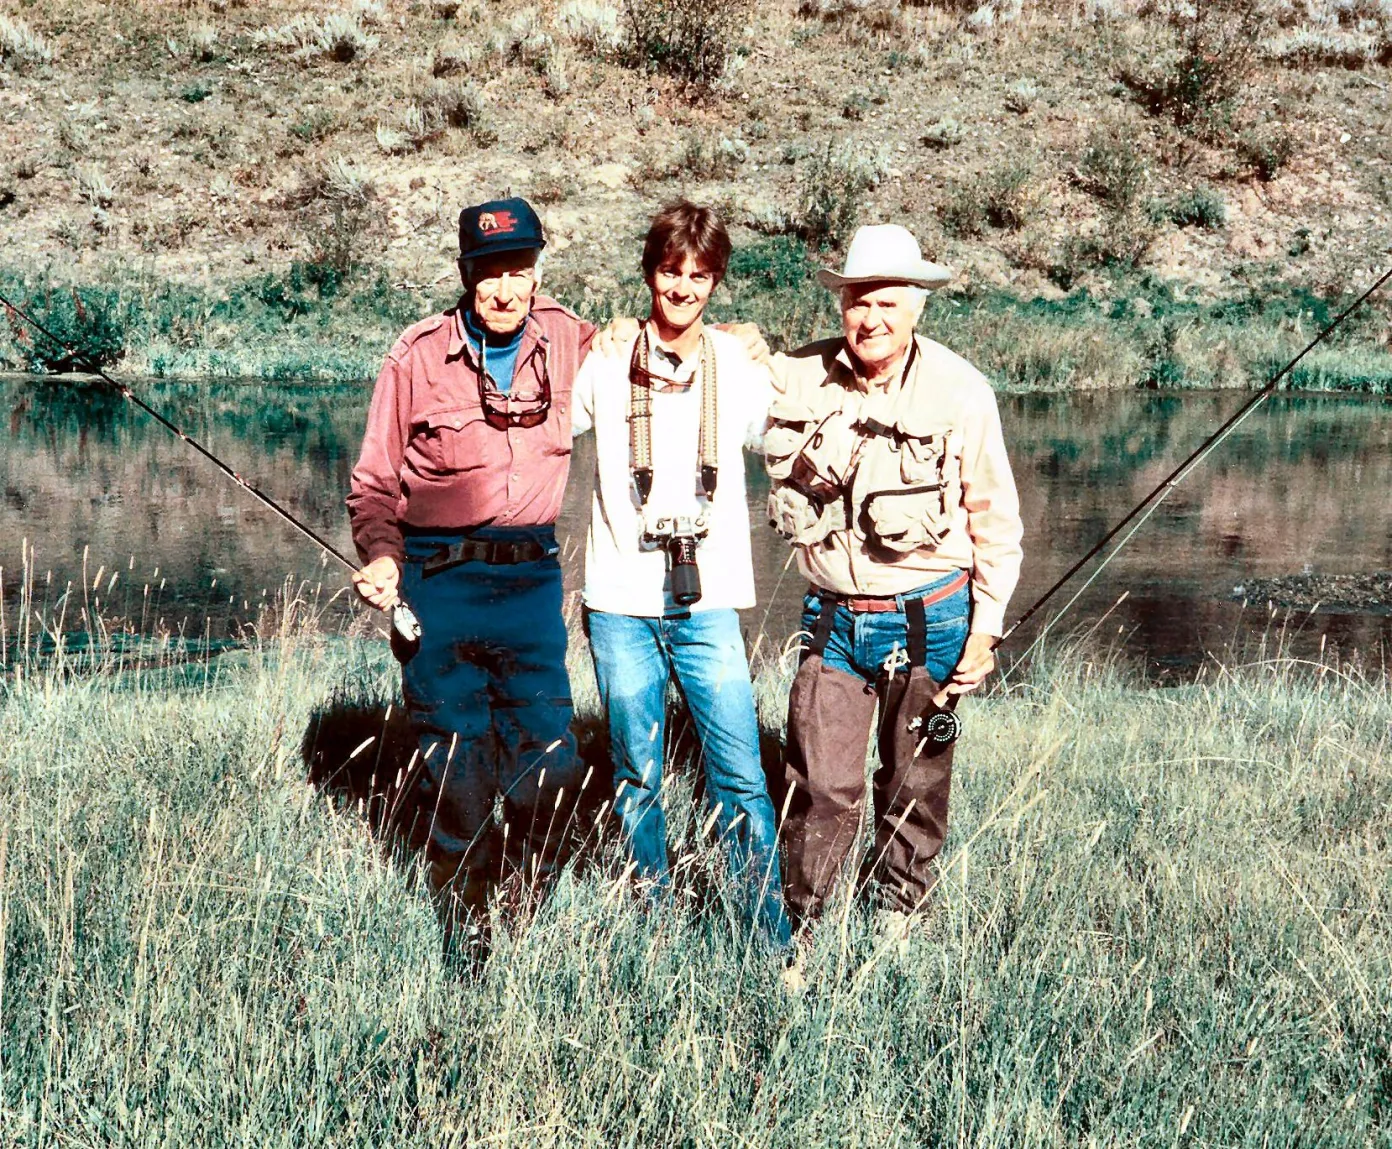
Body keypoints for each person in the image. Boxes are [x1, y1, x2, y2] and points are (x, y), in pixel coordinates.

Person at [346, 196, 594, 955]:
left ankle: (526, 900)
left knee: (547, 759)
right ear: (465, 272)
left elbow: (652, 345)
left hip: (530, 587)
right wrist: (382, 555)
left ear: (537, 270)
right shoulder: (416, 354)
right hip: (440, 582)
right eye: (490, 271)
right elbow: (372, 483)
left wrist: (739, 340)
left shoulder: (567, 335)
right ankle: (466, 923)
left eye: (518, 268)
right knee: (455, 765)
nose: (504, 288)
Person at [765, 223, 1023, 937]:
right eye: (856, 302)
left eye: (885, 303)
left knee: (916, 781)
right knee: (822, 785)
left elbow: (995, 516)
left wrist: (987, 626)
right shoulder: (794, 375)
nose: (868, 319)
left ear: (917, 307)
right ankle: (808, 930)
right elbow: (712, 374)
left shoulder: (962, 390)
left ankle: (897, 921)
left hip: (933, 618)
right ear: (839, 304)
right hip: (833, 623)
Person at [571, 201, 792, 949]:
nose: (684, 288)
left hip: (709, 606)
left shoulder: (735, 360)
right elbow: (536, 421)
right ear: (650, 273)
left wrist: (773, 355)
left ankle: (767, 938)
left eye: (700, 276)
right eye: (671, 272)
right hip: (619, 604)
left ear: (716, 282)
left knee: (740, 777)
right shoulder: (604, 357)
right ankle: (652, 930)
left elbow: (795, 430)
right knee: (637, 775)